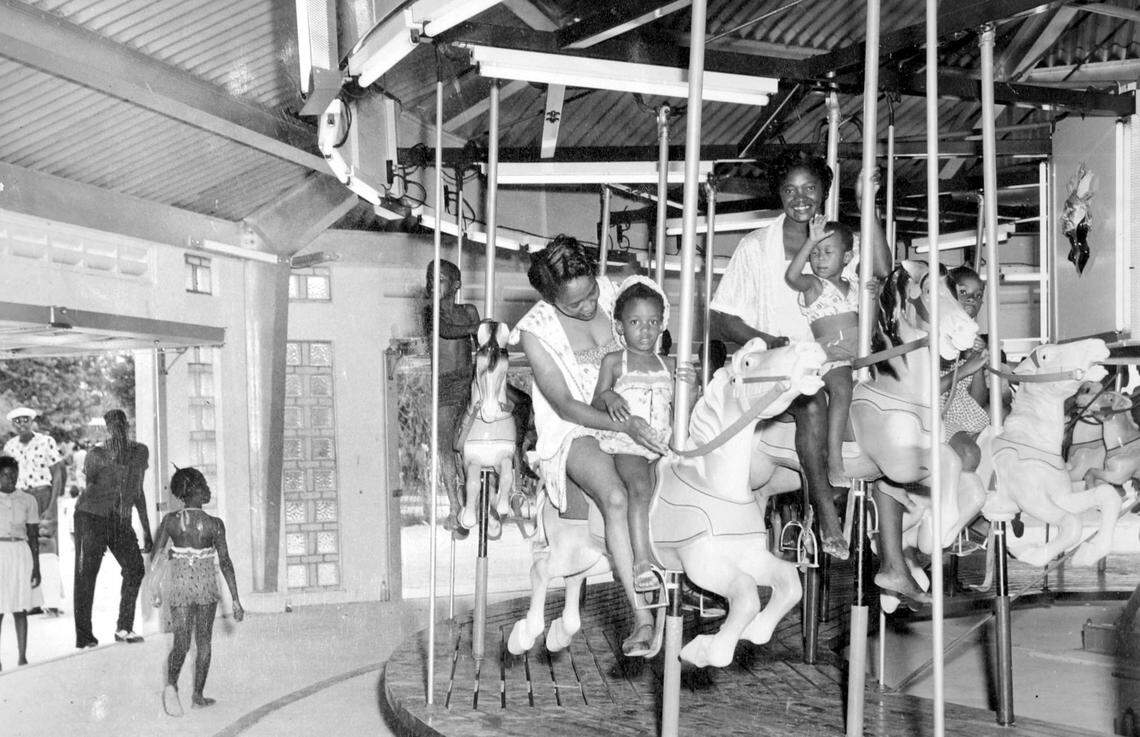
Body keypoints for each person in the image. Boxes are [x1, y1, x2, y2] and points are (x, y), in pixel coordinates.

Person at [710, 152, 891, 558]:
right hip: (772, 361)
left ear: (825, 192)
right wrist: (769, 341)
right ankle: (826, 511)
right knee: (810, 401)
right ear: (778, 193)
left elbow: (880, 270)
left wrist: (868, 205)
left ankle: (892, 541)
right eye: (790, 190)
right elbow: (720, 318)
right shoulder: (756, 246)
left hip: (832, 356)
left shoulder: (840, 241)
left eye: (810, 188)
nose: (800, 198)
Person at [512, 235, 670, 657]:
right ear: (550, 299)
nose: (587, 307)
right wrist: (627, 426)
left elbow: (655, 333)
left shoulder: (617, 293)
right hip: (576, 427)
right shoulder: (535, 331)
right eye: (574, 304)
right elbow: (565, 405)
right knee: (615, 496)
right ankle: (642, 618)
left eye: (590, 295)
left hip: (637, 412)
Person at [591, 277, 695, 593]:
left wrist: (690, 389)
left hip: (664, 445)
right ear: (620, 326)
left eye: (652, 322)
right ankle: (640, 561)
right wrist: (609, 397)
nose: (645, 330)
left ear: (662, 325)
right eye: (635, 322)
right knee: (639, 487)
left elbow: (683, 415)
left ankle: (687, 562)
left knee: (686, 490)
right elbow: (596, 401)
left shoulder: (670, 364)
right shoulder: (614, 362)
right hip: (629, 444)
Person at [785, 217, 884, 484]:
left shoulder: (854, 287)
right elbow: (792, 276)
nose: (819, 258)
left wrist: (872, 299)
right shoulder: (814, 286)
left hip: (859, 355)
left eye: (828, 252)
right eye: (815, 253)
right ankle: (834, 459)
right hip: (831, 356)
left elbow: (869, 328)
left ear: (847, 256)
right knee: (841, 387)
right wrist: (811, 241)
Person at [151, 466, 243, 716]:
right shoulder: (214, 524)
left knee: (181, 641)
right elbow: (225, 562)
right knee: (203, 642)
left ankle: (171, 685)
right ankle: (198, 696)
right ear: (194, 491)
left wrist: (155, 587)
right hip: (205, 587)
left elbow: (157, 556)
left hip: (180, 585)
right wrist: (235, 599)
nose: (208, 489)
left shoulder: (171, 521)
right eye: (204, 485)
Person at [74, 409, 152, 648]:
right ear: (107, 427)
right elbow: (90, 489)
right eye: (112, 424)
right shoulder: (97, 453)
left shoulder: (140, 451)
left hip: (119, 521)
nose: (117, 427)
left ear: (127, 424)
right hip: (91, 517)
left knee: (135, 568)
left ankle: (124, 627)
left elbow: (138, 491)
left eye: (121, 423)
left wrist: (146, 530)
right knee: (86, 574)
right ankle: (85, 637)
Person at [423, 259, 481, 536]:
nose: (436, 283)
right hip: (444, 383)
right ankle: (454, 506)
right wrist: (475, 330)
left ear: (456, 284)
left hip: (465, 378)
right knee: (445, 445)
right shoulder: (432, 312)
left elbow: (483, 342)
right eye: (432, 278)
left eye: (442, 279)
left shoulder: (468, 310)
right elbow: (445, 330)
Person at [4, 407, 65, 615]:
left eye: (26, 420)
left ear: (32, 422)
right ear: (13, 425)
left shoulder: (46, 441)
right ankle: (34, 602)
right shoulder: (9, 447)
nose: (22, 424)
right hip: (21, 498)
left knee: (46, 544)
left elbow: (57, 474)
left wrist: (52, 504)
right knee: (27, 548)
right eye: (18, 421)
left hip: (43, 494)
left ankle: (52, 601)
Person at [0, 455, 40, 669]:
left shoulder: (28, 500)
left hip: (20, 554)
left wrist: (37, 567)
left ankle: (22, 657)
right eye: (5, 475)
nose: (10, 479)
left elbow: (33, 535)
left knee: (20, 607)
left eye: (13, 475)